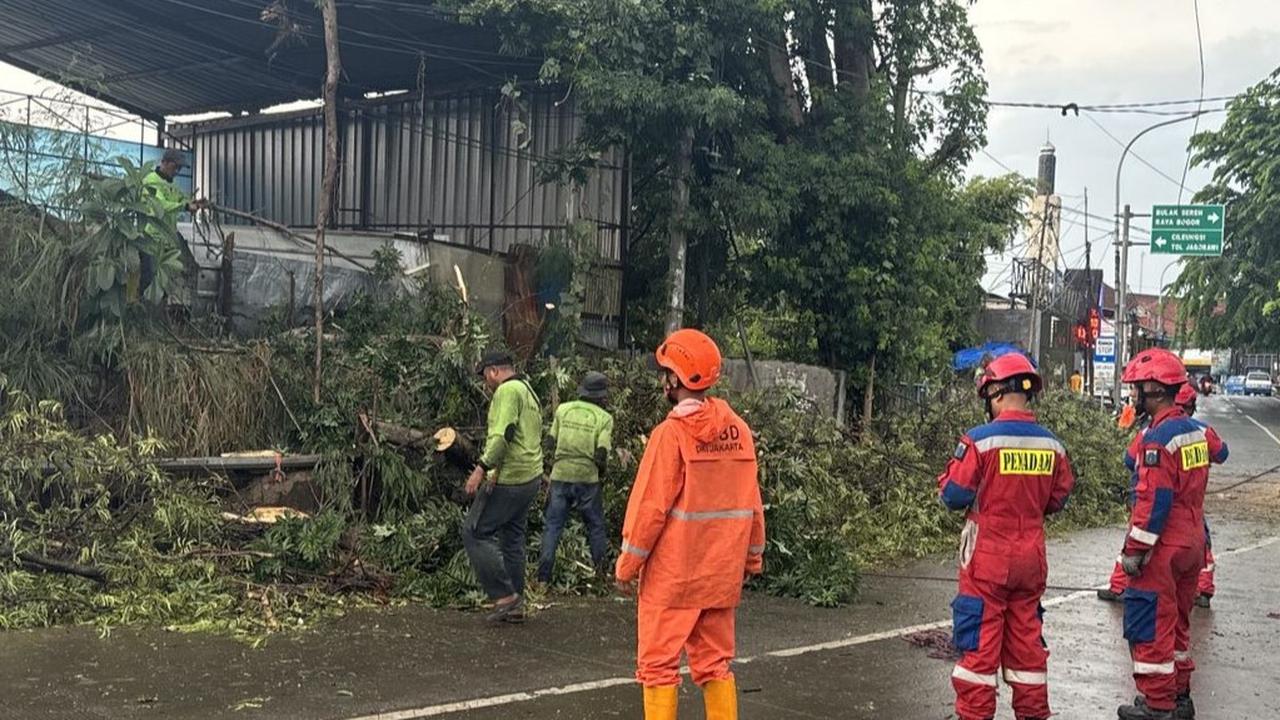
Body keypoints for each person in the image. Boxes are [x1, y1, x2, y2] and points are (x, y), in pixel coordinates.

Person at [616, 329, 765, 720]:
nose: (663, 380)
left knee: (658, 667)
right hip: (720, 576)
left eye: (666, 372)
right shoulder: (739, 432)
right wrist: (752, 559)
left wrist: (628, 565)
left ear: (675, 379)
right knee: (715, 665)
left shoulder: (670, 436)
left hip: (673, 579)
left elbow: (649, 508)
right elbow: (752, 504)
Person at [937, 353, 1075, 720]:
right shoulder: (1053, 446)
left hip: (987, 560)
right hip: (1031, 560)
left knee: (979, 652)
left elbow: (953, 495)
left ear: (995, 393)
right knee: (1027, 650)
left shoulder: (980, 441)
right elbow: (1058, 498)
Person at [1115, 348, 1215, 720]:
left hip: (1164, 547)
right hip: (1192, 541)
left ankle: (1157, 705)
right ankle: (1179, 697)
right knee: (1178, 625)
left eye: (1138, 388)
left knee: (1150, 625)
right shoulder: (1193, 432)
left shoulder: (1157, 438)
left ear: (1155, 389)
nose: (1134, 395)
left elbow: (1153, 500)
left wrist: (1134, 550)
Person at [1099, 384, 1226, 607]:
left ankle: (1119, 585)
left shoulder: (1154, 433)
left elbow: (1130, 460)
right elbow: (1222, 453)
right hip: (1192, 508)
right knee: (1199, 547)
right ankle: (1204, 588)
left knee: (1137, 541)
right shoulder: (1201, 432)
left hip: (1154, 503)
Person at [462, 349, 544, 623]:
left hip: (511, 478)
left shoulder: (507, 392)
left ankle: (504, 596)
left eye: (485, 375)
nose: (486, 382)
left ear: (494, 371)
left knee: (475, 532)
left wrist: (481, 468)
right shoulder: (528, 391)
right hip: (530, 477)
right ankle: (516, 605)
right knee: (512, 539)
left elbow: (503, 436)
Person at [536, 371, 615, 584]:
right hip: (587, 478)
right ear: (601, 396)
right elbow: (601, 454)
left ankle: (543, 578)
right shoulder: (604, 418)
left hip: (560, 474)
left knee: (553, 525)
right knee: (595, 526)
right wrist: (601, 474)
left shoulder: (562, 410)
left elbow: (549, 442)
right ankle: (600, 576)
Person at [131, 148, 202, 301]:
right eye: (175, 167)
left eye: (179, 168)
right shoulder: (150, 181)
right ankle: (143, 308)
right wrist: (185, 206)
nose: (177, 171)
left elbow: (178, 200)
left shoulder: (172, 185)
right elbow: (160, 205)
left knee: (164, 280)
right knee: (149, 278)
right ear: (164, 163)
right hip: (150, 238)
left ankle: (161, 309)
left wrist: (192, 203)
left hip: (166, 240)